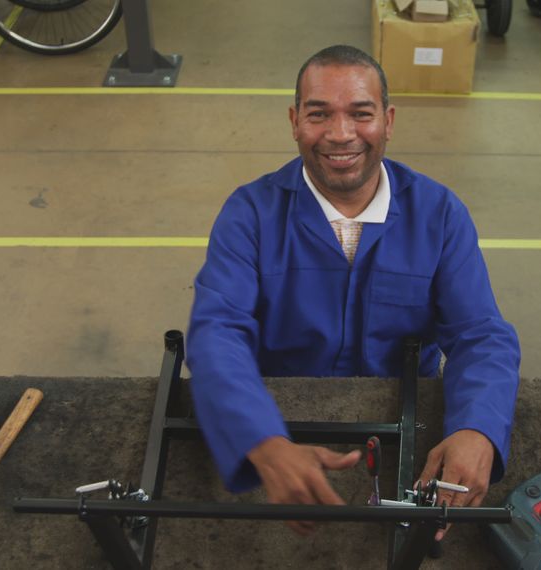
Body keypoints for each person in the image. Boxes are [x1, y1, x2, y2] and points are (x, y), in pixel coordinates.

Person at [186, 45, 520, 539]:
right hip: (281, 407)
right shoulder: (250, 215)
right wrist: (260, 438)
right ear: (295, 121)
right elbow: (216, 333)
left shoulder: (440, 215)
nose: (341, 134)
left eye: (360, 113)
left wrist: (478, 428)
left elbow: (481, 334)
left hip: (402, 412)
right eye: (319, 114)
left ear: (387, 120)